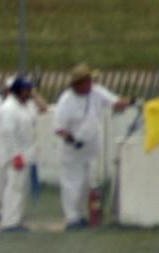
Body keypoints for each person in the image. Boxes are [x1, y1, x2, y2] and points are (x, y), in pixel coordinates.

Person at [53, 63, 134, 229]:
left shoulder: (97, 92)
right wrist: (72, 140)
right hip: (72, 148)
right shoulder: (66, 100)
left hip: (91, 146)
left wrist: (129, 101)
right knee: (71, 183)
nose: (91, 83)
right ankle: (71, 218)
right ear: (78, 83)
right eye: (87, 81)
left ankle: (82, 215)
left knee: (86, 182)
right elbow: (58, 128)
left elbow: (115, 103)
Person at [0, 77, 49, 219]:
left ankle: (11, 211)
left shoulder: (26, 105)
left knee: (14, 181)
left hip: (19, 146)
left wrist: (33, 94)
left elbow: (43, 108)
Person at [0, 75, 38, 232]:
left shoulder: (25, 105)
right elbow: (8, 133)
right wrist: (16, 155)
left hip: (26, 153)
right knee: (14, 189)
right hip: (15, 155)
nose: (29, 92)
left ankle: (17, 220)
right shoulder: (9, 108)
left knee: (21, 189)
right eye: (26, 90)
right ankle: (9, 222)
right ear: (17, 91)